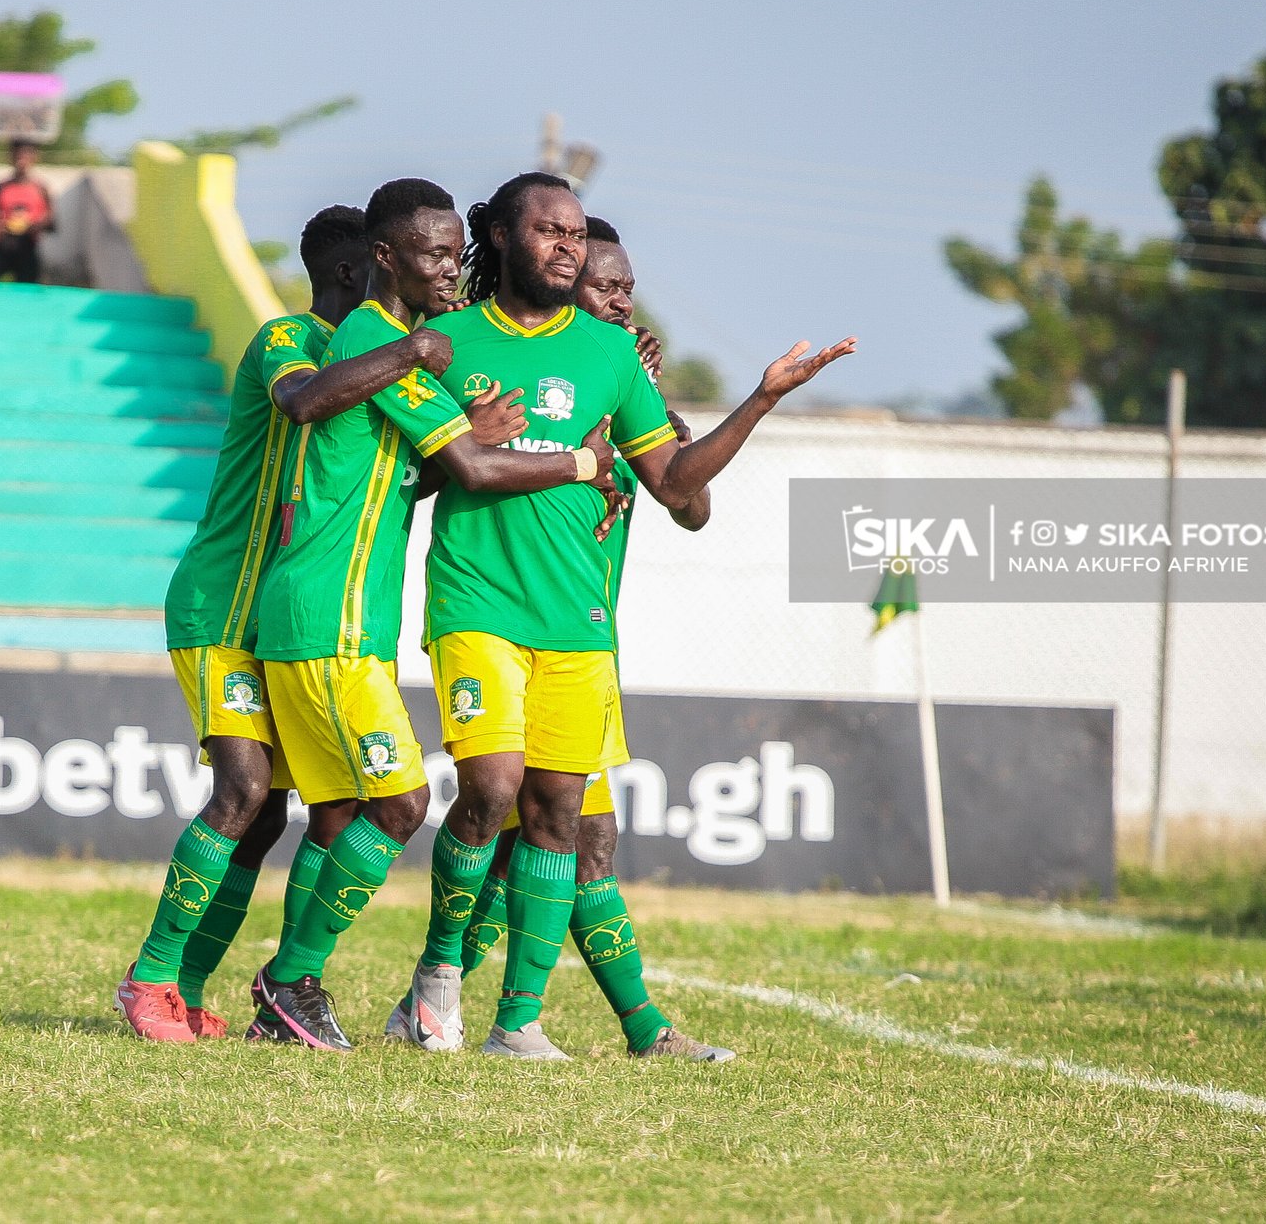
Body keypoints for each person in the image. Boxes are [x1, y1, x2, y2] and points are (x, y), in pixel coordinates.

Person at [396, 173, 853, 1061]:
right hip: (475, 605)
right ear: (497, 237)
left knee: (560, 818)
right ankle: (439, 971)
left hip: (577, 627)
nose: (567, 247)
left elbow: (677, 485)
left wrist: (760, 400)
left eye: (576, 234)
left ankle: (517, 1024)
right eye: (549, 232)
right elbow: (416, 472)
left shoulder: (608, 358)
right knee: (491, 789)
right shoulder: (443, 343)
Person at [115, 205, 523, 1043]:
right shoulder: (290, 341)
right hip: (224, 604)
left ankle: (198, 992)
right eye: (423, 261)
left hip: (285, 611)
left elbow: (379, 484)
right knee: (243, 791)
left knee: (285, 813)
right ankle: (151, 978)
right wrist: (413, 353)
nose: (436, 277)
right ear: (359, 272)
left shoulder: (377, 370)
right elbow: (303, 400)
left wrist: (451, 443)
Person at [245, 179, 619, 1052]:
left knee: (335, 813)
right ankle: (287, 978)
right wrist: (579, 463)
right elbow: (469, 469)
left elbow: (455, 457)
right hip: (326, 615)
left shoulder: (396, 347)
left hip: (356, 619)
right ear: (385, 259)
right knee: (403, 802)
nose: (456, 272)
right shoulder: (385, 341)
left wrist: (477, 428)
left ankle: (287, 992)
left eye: (458, 254)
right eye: (439, 256)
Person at [453, 215, 732, 1064]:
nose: (621, 301)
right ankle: (476, 1003)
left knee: (572, 839)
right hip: (512, 630)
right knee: (543, 832)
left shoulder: (616, 380)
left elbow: (690, 507)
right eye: (605, 287)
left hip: (584, 642)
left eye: (626, 288)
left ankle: (476, 1009)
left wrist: (664, 416)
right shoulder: (523, 378)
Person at [0, 142, 54, 284]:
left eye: (26, 155)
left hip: (28, 246)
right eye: (18, 155)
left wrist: (37, 225)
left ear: (34, 158)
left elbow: (52, 222)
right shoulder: (2, 186)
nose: (21, 159)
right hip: (4, 244)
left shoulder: (41, 188)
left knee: (28, 290)